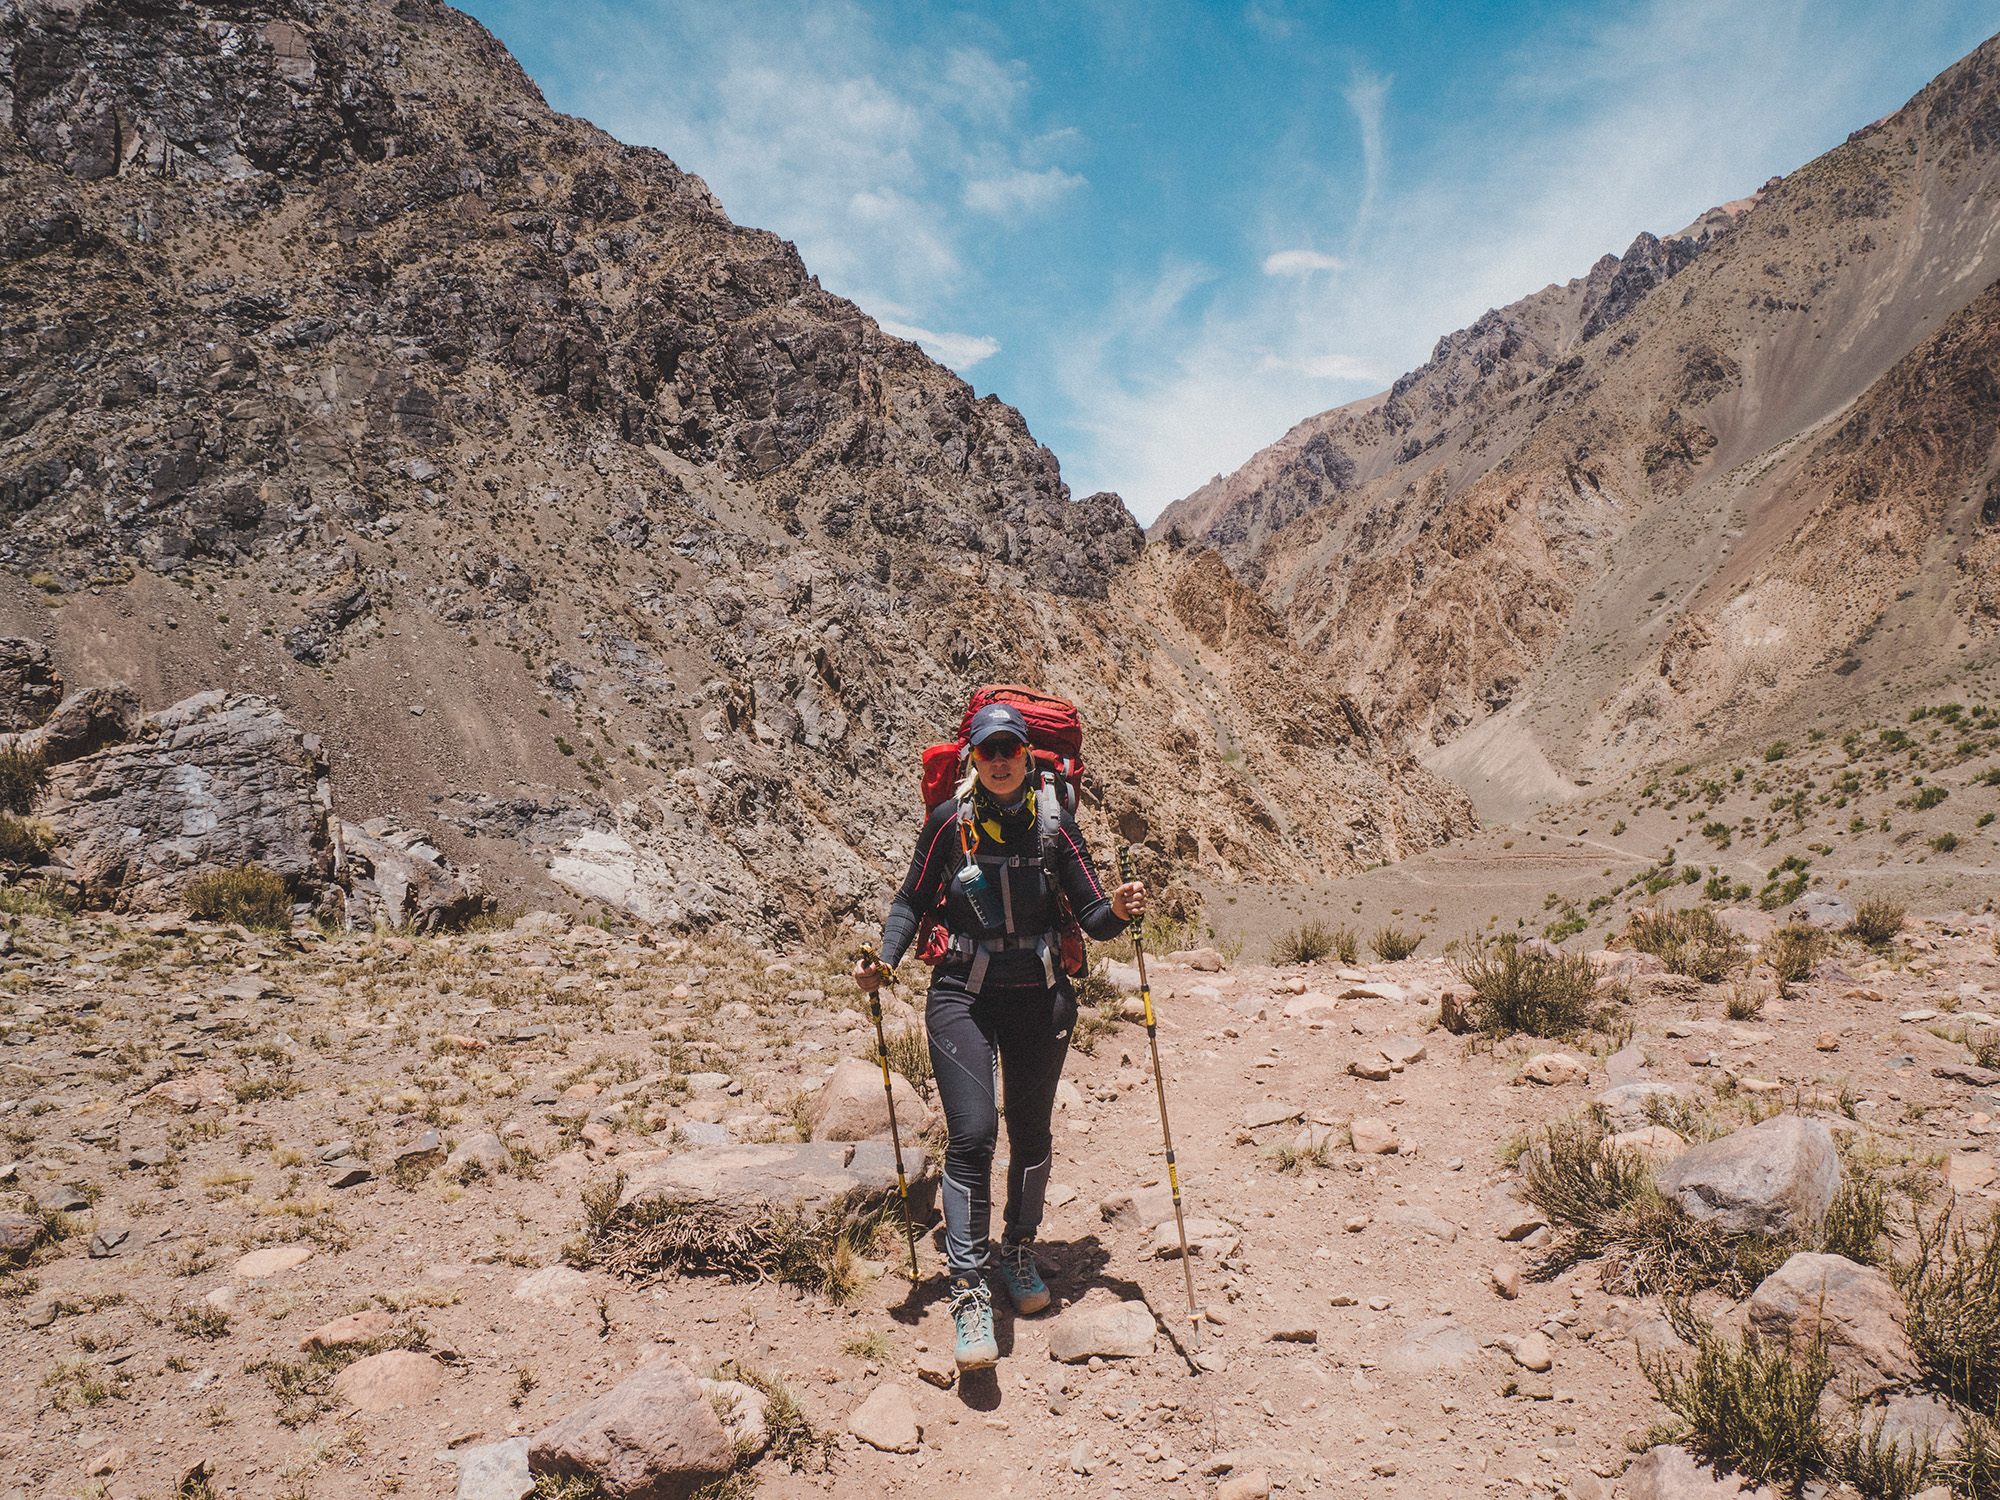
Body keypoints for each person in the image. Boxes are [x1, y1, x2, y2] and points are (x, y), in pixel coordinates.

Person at [855, 702, 1144, 1371]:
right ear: (973, 759)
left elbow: (1094, 916)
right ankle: (967, 1288)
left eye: (1011, 748)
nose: (1002, 759)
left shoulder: (1055, 825)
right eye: (989, 751)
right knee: (974, 1135)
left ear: (1029, 755)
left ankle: (1016, 1248)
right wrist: (886, 959)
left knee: (1034, 1132)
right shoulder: (947, 825)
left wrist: (1122, 911)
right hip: (962, 993)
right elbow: (910, 901)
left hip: (1041, 996)